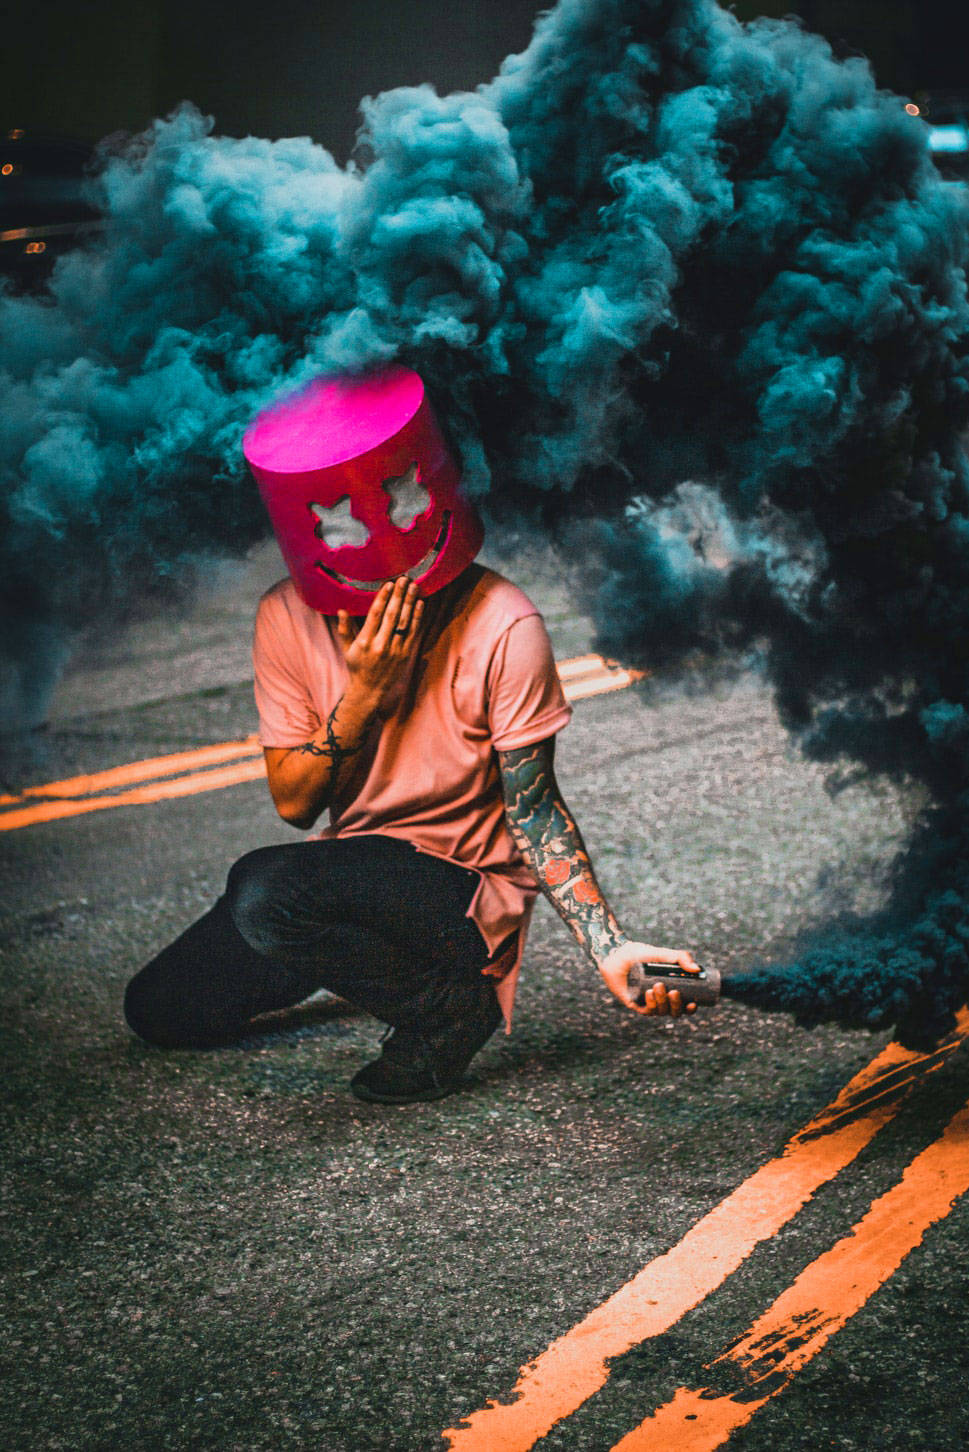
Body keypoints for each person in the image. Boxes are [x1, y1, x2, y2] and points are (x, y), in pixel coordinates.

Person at [123, 368, 700, 1103]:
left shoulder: (501, 621)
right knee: (160, 1011)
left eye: (401, 500)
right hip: (347, 878)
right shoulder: (285, 617)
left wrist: (609, 945)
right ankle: (337, 950)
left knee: (264, 891)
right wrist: (362, 697)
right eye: (341, 519)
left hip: (460, 896)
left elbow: (533, 809)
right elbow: (295, 805)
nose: (378, 534)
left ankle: (450, 1011)